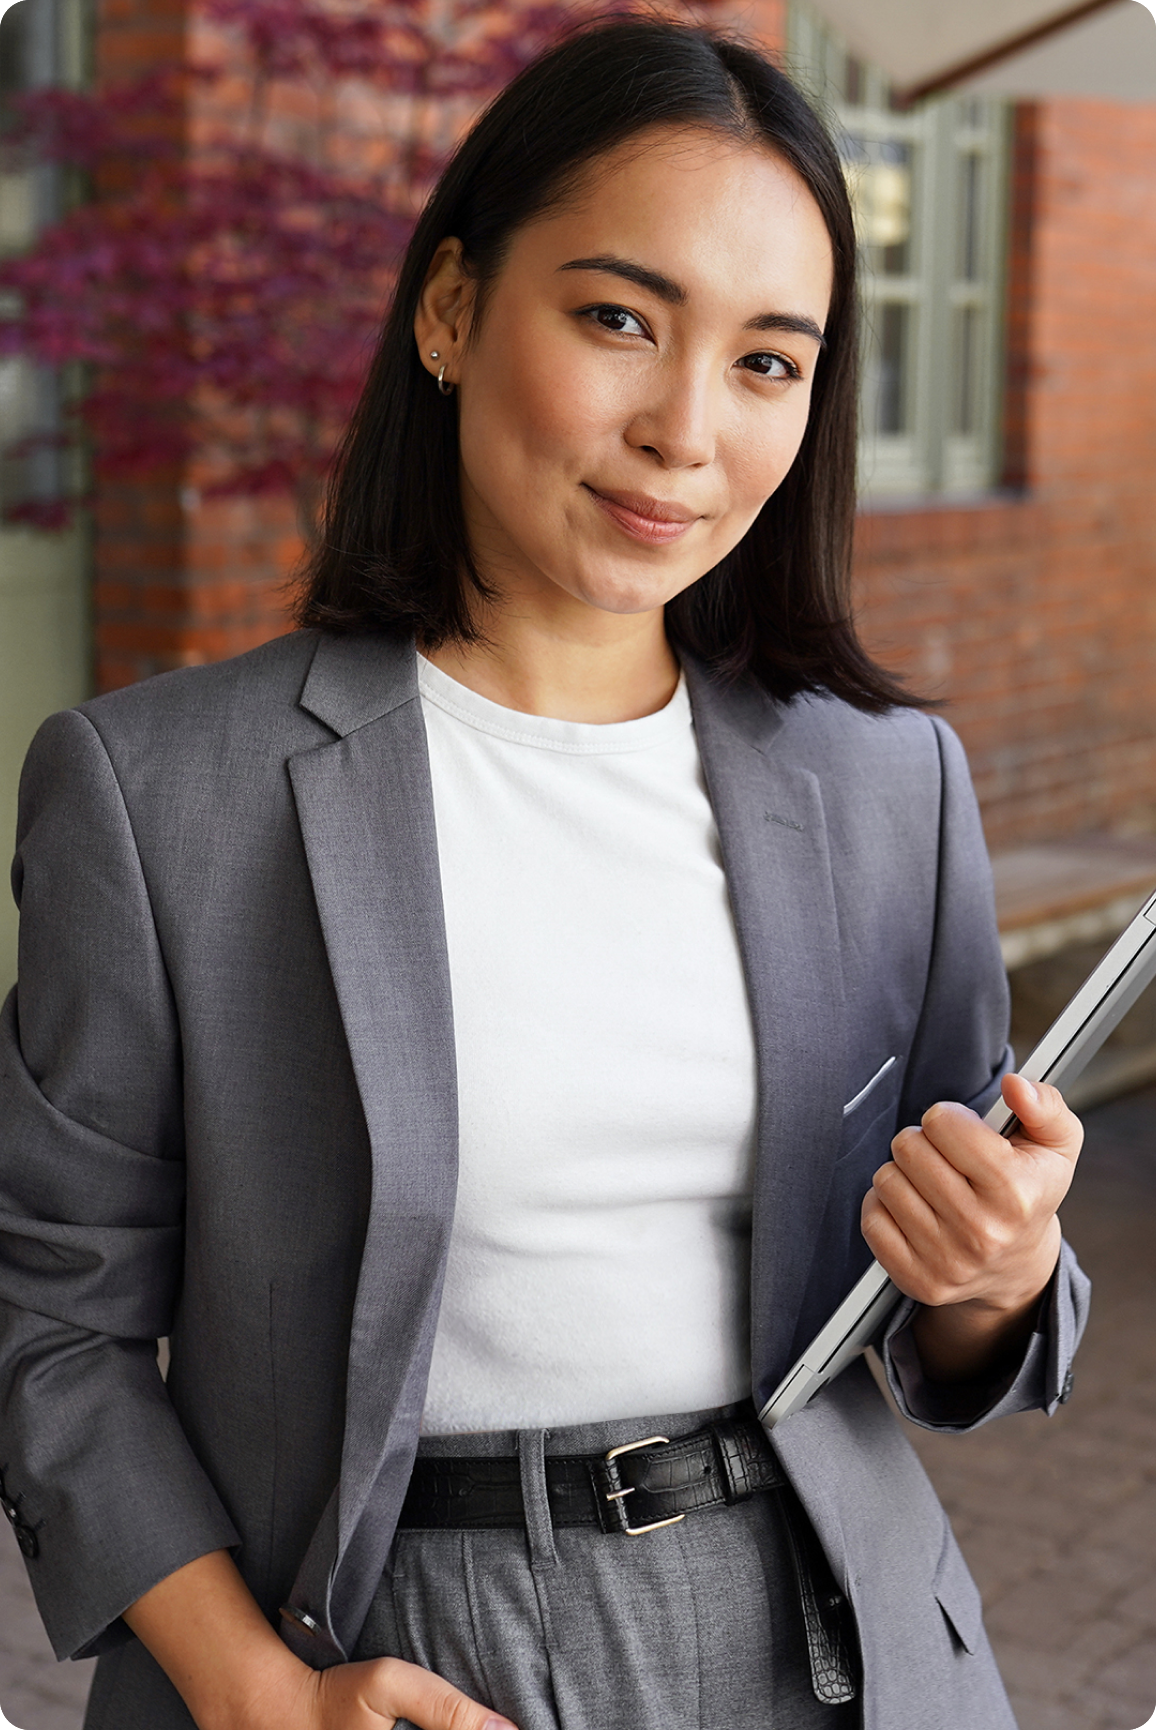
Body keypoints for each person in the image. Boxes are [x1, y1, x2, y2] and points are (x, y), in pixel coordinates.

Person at [0, 15, 1089, 1730]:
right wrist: (258, 1694)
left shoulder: (889, 787)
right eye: (618, 319)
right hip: (376, 1642)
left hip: (830, 1634)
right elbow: (48, 1321)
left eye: (768, 361)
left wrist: (999, 1271)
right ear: (449, 311)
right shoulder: (162, 797)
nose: (685, 429)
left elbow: (952, 1329)